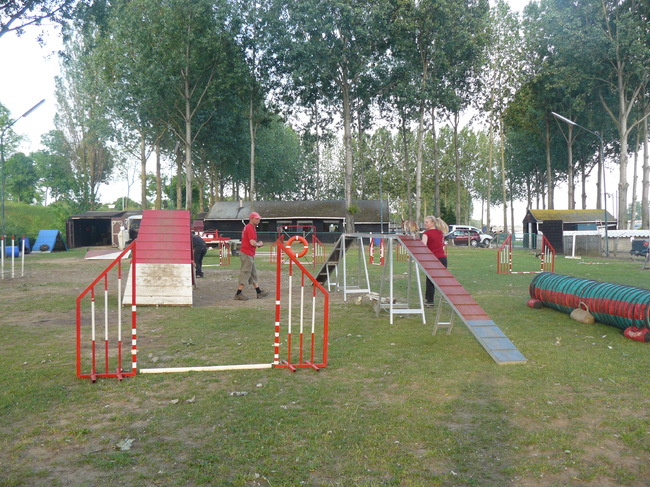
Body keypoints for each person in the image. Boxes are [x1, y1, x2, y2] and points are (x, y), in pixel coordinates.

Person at [234, 211, 270, 301]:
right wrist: (259, 244)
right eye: (257, 219)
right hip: (247, 253)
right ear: (251, 219)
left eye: (259, 219)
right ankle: (238, 293)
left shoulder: (250, 227)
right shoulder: (250, 228)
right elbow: (252, 243)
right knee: (245, 272)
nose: (258, 220)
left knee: (253, 273)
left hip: (249, 253)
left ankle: (259, 292)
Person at [421, 215, 448, 307]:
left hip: (432, 259)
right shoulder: (440, 232)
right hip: (443, 259)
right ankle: (450, 298)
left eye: (427, 222)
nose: (425, 224)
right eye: (424, 222)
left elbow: (423, 247)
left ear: (433, 223)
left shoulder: (426, 234)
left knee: (430, 281)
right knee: (444, 281)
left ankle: (429, 301)